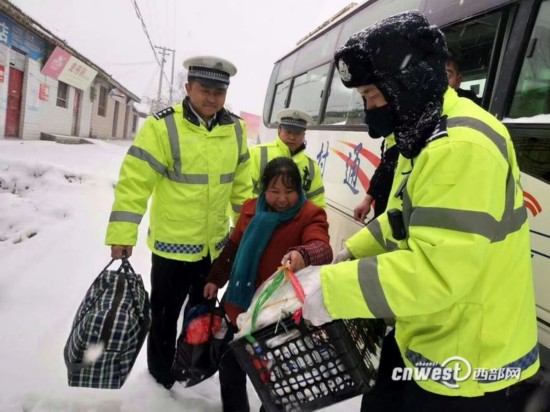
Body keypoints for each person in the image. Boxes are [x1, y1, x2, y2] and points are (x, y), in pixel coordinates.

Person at [303, 11, 539, 411]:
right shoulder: (424, 132)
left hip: (469, 362)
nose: (370, 110)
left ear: (408, 85)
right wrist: (351, 253)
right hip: (434, 331)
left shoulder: (459, 147)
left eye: (373, 96)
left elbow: (437, 272)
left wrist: (332, 289)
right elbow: (399, 219)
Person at [105, 55, 252, 389]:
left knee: (200, 316)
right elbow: (134, 183)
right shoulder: (163, 126)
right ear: (188, 88)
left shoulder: (236, 129)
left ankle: (191, 368)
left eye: (219, 91)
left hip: (212, 247)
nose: (212, 98)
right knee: (165, 316)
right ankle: (160, 378)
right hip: (172, 247)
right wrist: (122, 233)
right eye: (204, 89)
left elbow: (242, 188)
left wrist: (246, 233)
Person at [203, 157, 333, 412]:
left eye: (289, 191)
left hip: (278, 311)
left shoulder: (310, 215)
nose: (282, 199)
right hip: (242, 306)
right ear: (264, 190)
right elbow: (233, 248)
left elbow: (323, 248)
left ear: (300, 190)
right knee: (231, 365)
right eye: (274, 191)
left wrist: (303, 255)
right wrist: (215, 279)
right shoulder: (251, 209)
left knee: (278, 375)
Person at [250, 108, 326, 208]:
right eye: (288, 131)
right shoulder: (257, 153)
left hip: (296, 223)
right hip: (259, 219)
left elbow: (317, 202)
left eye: (297, 133)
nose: (292, 137)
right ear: (279, 131)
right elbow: (245, 190)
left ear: (304, 135)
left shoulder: (312, 166)